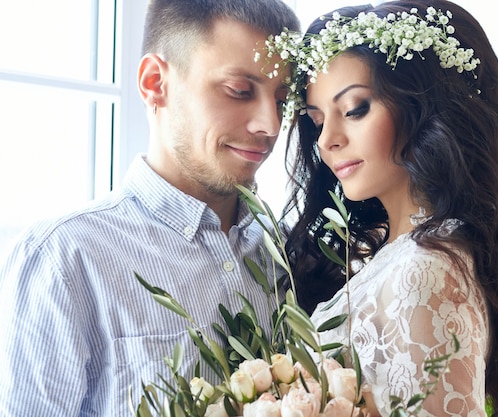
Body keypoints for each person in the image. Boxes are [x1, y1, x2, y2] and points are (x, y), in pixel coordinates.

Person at [0, 0, 299, 415]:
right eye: (240, 92)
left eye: (283, 100)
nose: (269, 124)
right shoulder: (63, 259)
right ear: (155, 82)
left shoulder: (288, 250)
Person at [277, 1, 498, 416]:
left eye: (355, 109)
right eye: (316, 119)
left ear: (422, 106)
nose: (328, 139)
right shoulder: (409, 252)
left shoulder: (425, 268)